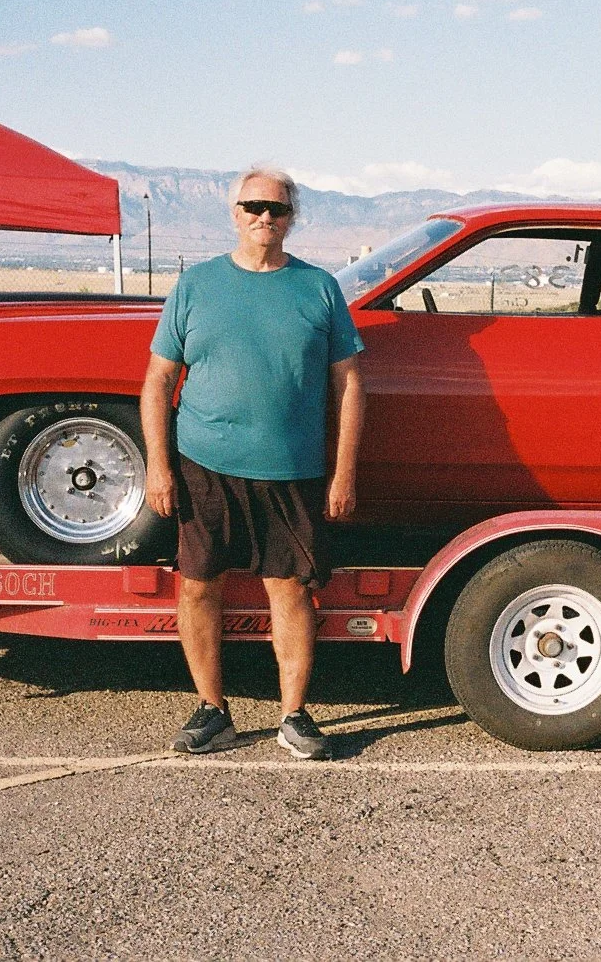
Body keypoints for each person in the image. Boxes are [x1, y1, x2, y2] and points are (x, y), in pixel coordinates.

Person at [141, 165, 366, 759]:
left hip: (292, 468)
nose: (265, 217)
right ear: (234, 213)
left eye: (278, 208)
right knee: (197, 586)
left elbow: (348, 384)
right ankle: (213, 711)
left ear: (292, 218)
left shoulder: (318, 288)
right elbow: (159, 381)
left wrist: (344, 473)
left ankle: (294, 714)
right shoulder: (197, 285)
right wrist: (157, 467)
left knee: (290, 591)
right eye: (253, 206)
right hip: (204, 463)